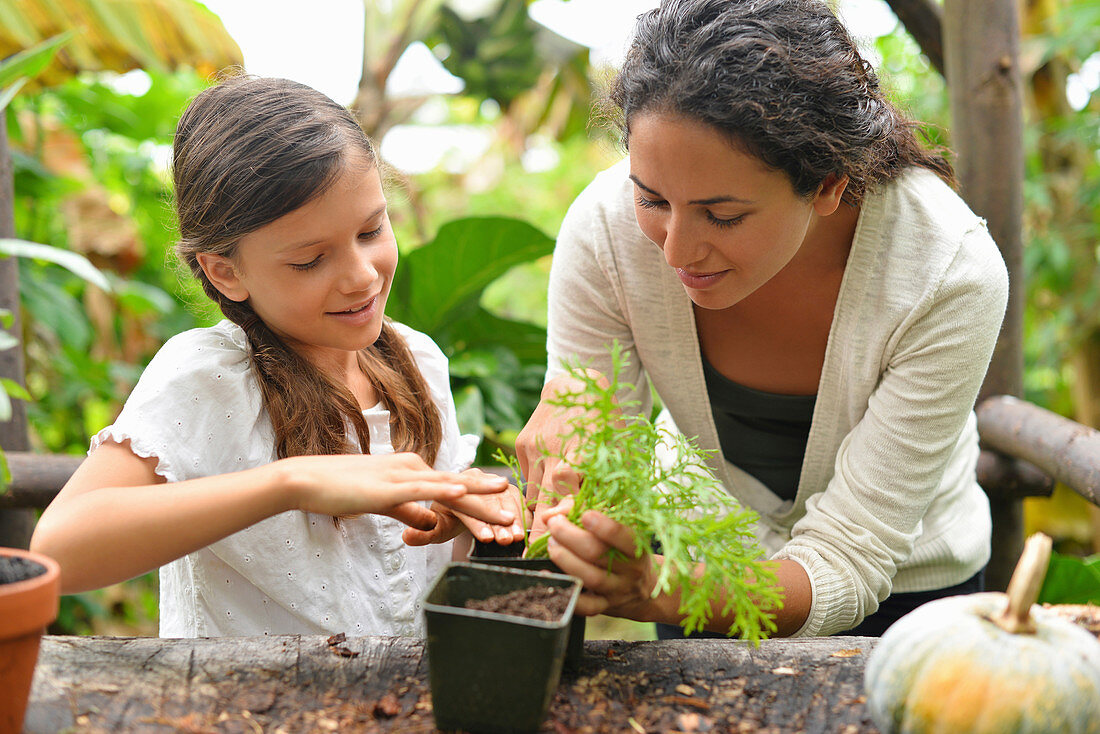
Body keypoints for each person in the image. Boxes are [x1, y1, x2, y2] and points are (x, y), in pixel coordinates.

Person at [516, 0, 1009, 639]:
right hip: (699, 563)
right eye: (652, 199)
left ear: (829, 184)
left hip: (908, 595)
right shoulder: (606, 233)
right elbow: (592, 417)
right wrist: (574, 434)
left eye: (723, 216)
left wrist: (657, 589)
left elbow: (849, 557)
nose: (675, 251)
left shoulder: (945, 273)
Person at [30, 75, 524, 638]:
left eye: (371, 230)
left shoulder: (417, 361)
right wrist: (290, 483)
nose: (361, 276)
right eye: (311, 260)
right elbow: (61, 548)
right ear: (226, 271)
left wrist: (468, 515)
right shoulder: (210, 378)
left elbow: (413, 575)